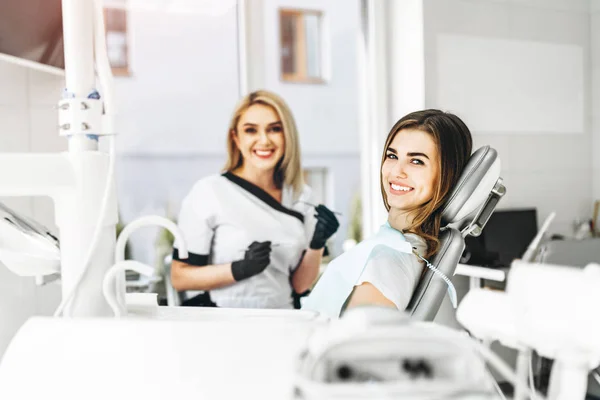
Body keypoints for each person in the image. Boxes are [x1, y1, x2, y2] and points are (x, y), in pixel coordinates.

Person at [170, 90, 340, 309]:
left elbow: (299, 286)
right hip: (223, 324)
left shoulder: (301, 196)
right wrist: (240, 269)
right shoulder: (209, 192)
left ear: (287, 135)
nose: (264, 140)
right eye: (251, 130)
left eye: (275, 129)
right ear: (236, 138)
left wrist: (317, 244)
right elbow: (180, 277)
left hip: (285, 321)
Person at [302, 109, 472, 317]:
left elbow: (357, 347)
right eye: (392, 156)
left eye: (416, 161)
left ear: (446, 175)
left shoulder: (388, 261)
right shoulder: (396, 246)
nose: (396, 172)